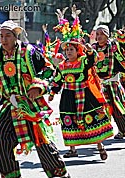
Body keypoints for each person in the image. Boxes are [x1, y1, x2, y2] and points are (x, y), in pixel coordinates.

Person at [0, 20, 73, 178]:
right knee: (1, 138)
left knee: (42, 142)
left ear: (16, 37)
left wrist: (37, 86)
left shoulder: (29, 52)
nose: (4, 39)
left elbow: (47, 69)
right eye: (1, 36)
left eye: (8, 36)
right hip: (10, 104)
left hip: (31, 105)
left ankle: (63, 175)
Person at [48, 6, 114, 159]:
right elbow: (57, 80)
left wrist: (90, 51)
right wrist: (52, 92)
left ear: (77, 51)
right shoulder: (62, 65)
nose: (68, 52)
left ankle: (100, 146)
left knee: (91, 118)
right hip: (68, 96)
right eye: (67, 50)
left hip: (86, 94)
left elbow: (93, 60)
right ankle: (72, 149)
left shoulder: (83, 61)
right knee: (68, 120)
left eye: (71, 49)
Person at [92, 25, 125, 148]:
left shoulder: (113, 46)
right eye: (98, 33)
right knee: (98, 111)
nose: (99, 36)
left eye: (102, 33)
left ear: (107, 35)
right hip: (99, 84)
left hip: (113, 83)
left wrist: (124, 39)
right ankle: (99, 140)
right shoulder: (94, 48)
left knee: (118, 110)